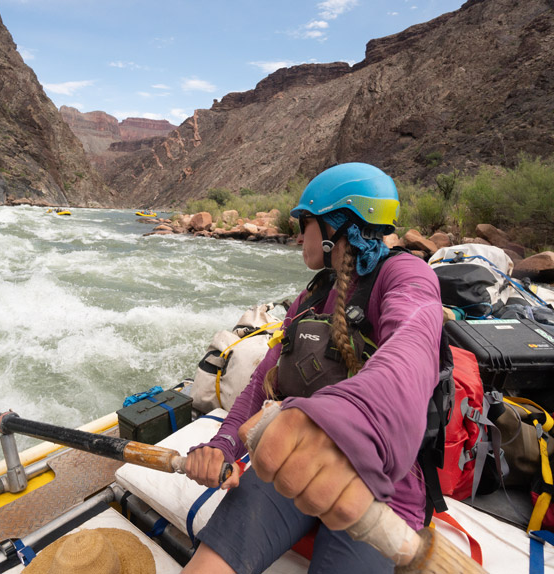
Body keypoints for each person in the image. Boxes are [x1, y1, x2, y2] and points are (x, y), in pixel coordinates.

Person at [182, 163, 443, 574]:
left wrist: (346, 420)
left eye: (306, 222)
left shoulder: (407, 274)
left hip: (380, 485)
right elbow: (261, 384)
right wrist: (224, 443)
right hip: (298, 458)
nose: (300, 234)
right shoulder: (313, 294)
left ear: (338, 228)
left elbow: (413, 346)